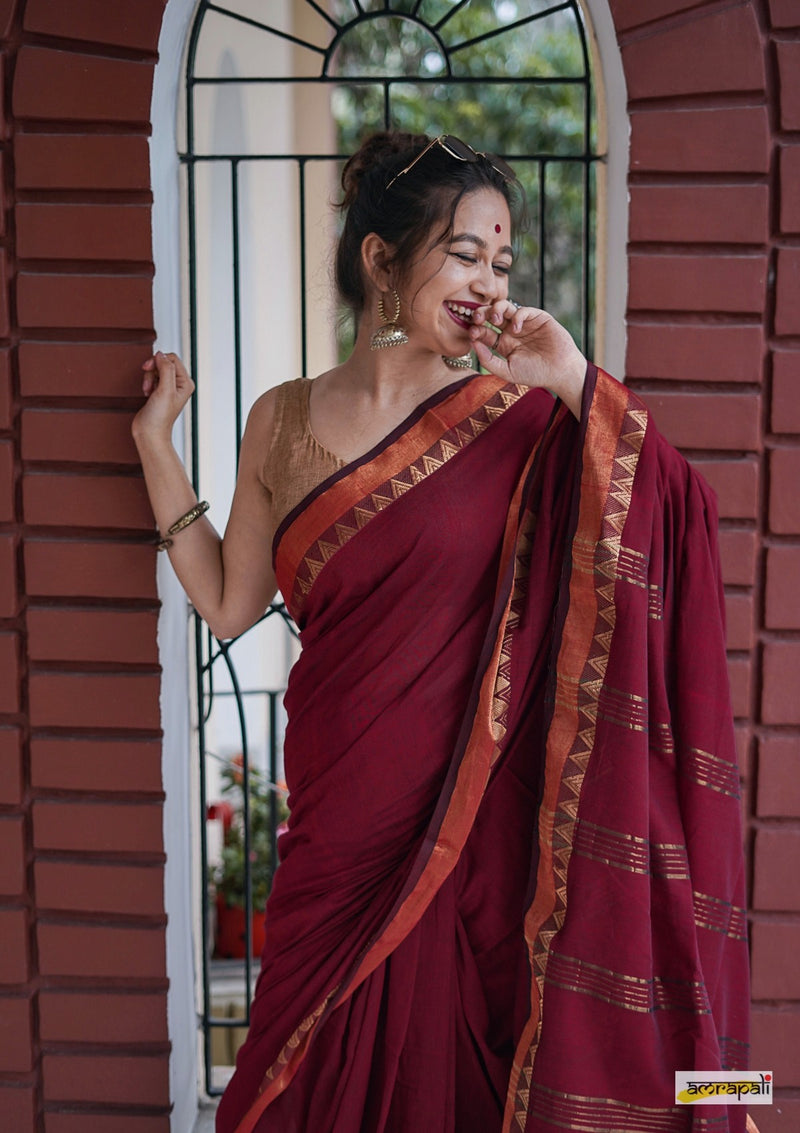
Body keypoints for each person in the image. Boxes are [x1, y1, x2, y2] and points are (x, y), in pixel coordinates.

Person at [133, 132, 751, 1133]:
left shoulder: (518, 419)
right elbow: (228, 599)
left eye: (499, 262)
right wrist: (155, 446)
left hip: (464, 838)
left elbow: (672, 510)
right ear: (381, 259)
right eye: (462, 252)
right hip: (336, 822)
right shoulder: (280, 422)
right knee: (286, 1074)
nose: (486, 282)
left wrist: (569, 376)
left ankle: (720, 1098)